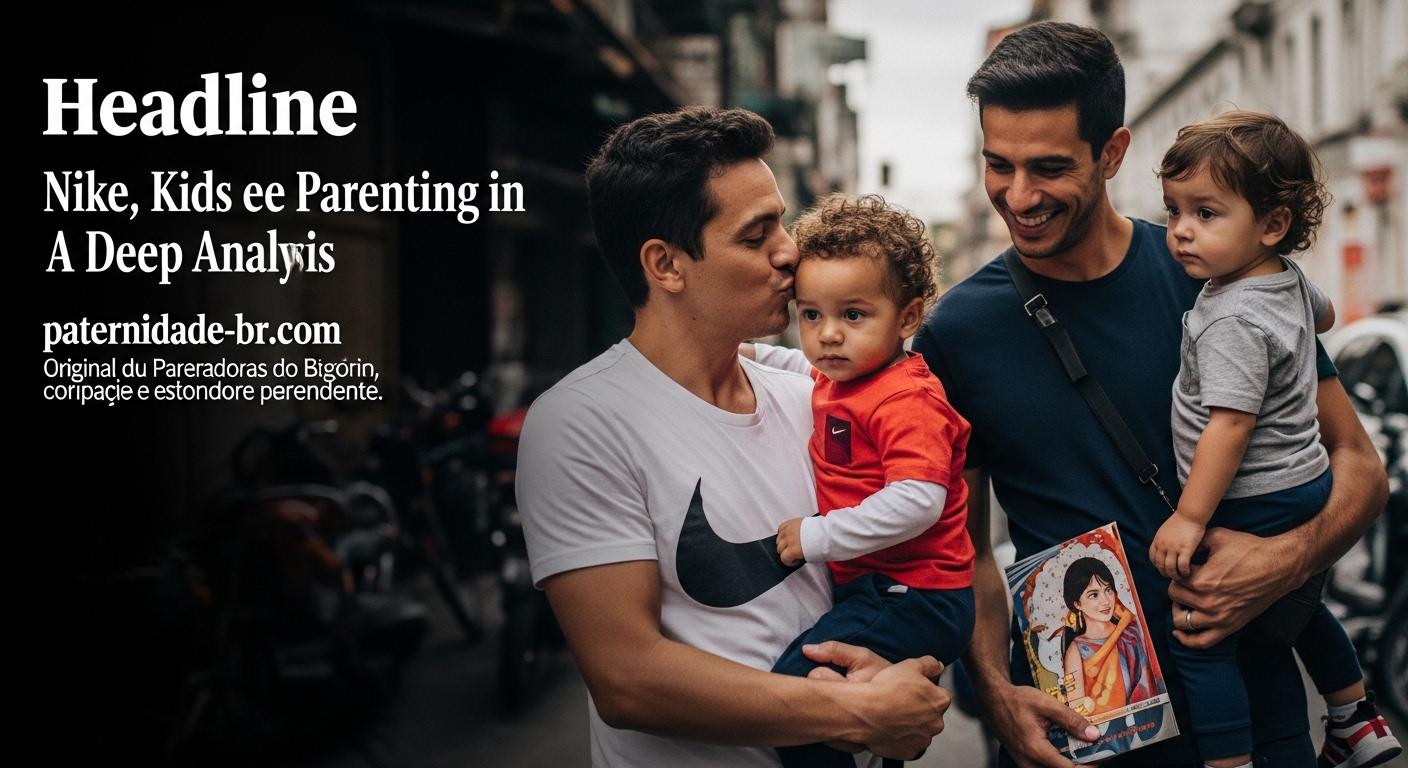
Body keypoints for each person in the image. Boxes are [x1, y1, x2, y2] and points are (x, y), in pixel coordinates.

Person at [911, 21, 1389, 768]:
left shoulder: (1224, 278)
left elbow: (1360, 463)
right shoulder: (958, 330)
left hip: (1256, 729)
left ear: (1113, 153)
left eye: (1048, 166)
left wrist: (1286, 561)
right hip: (1081, 732)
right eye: (997, 165)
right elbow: (960, 551)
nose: (1019, 194)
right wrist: (997, 694)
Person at [516, 106, 950, 768]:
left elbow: (927, 524)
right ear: (665, 264)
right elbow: (628, 678)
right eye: (756, 237)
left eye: (782, 221)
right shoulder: (582, 423)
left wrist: (912, 667)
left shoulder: (813, 390)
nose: (789, 251)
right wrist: (861, 710)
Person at [1151, 111, 1402, 768]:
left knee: (1200, 636)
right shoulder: (1283, 278)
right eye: (1173, 210)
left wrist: (1190, 516)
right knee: (1292, 606)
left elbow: (1229, 427)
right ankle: (1354, 716)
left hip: (1254, 492)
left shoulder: (1228, 316)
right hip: (1305, 480)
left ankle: (1230, 760)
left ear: (1271, 225)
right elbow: (1323, 314)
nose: (1179, 231)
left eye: (1206, 213)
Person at [742, 194, 976, 767]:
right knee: (861, 708)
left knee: (803, 691)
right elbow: (799, 365)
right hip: (882, 588)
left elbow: (919, 501)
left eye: (853, 315)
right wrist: (737, 350)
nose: (827, 337)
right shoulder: (846, 376)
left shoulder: (906, 398)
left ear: (909, 317)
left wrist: (817, 536)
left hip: (916, 593)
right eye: (811, 315)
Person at [1058, 558, 1154, 720]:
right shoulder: (1076, 650)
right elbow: (1077, 710)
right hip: (1101, 737)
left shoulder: (1132, 633)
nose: (1105, 600)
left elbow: (1149, 686)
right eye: (1093, 595)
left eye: (1108, 590)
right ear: (1077, 604)